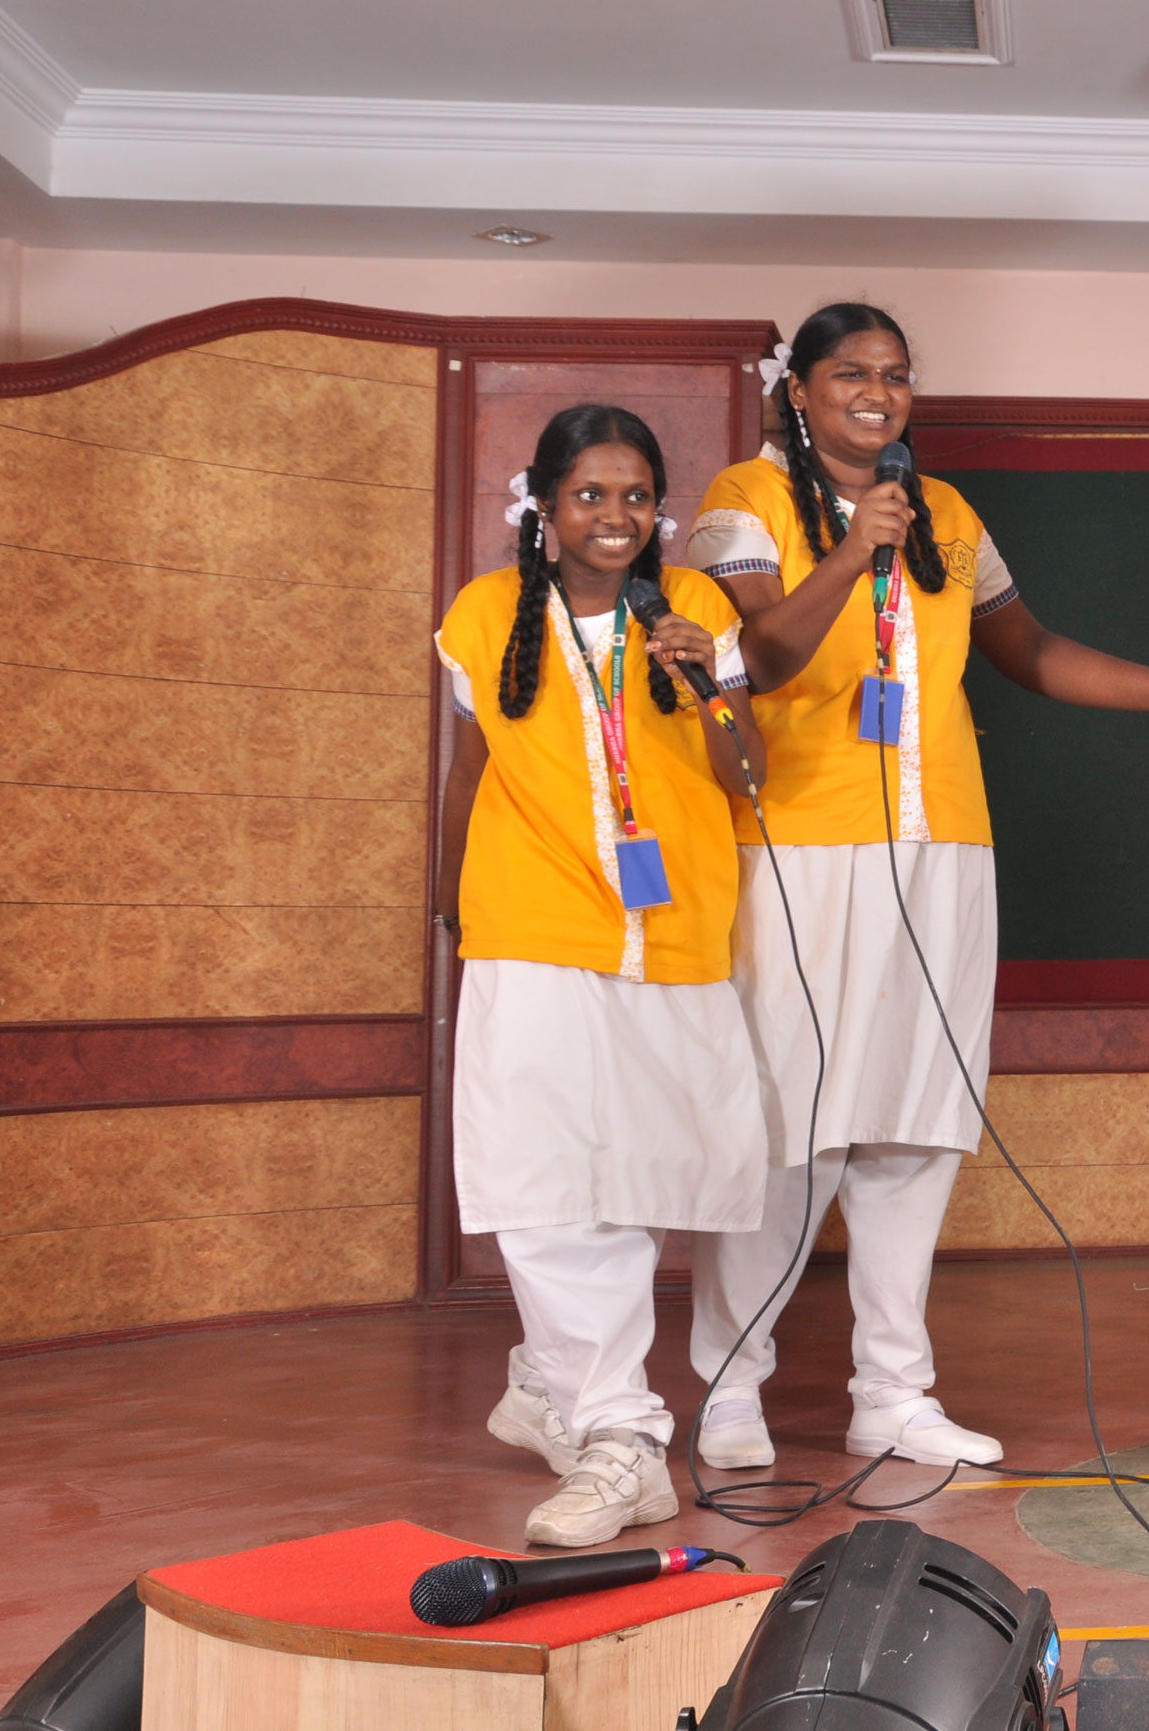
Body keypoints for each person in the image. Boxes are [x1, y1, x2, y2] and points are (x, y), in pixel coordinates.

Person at [681, 302, 1149, 1474]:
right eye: (851, 373)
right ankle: (731, 1385)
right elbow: (762, 654)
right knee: (790, 1124)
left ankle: (893, 1392)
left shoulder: (945, 511)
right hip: (799, 850)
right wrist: (852, 549)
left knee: (916, 1123)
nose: (878, 392)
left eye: (896, 373)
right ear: (801, 389)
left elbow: (1026, 648)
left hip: (942, 847)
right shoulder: (745, 500)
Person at [436, 404, 767, 1547]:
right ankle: (623, 1434)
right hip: (528, 924)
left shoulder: (698, 608)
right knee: (535, 1179)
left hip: (671, 930)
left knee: (626, 1187)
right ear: (544, 505)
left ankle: (550, 1384)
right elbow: (468, 771)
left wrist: (706, 680)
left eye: (635, 497)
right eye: (589, 494)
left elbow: (747, 772)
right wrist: (450, 906)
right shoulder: (487, 614)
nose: (615, 516)